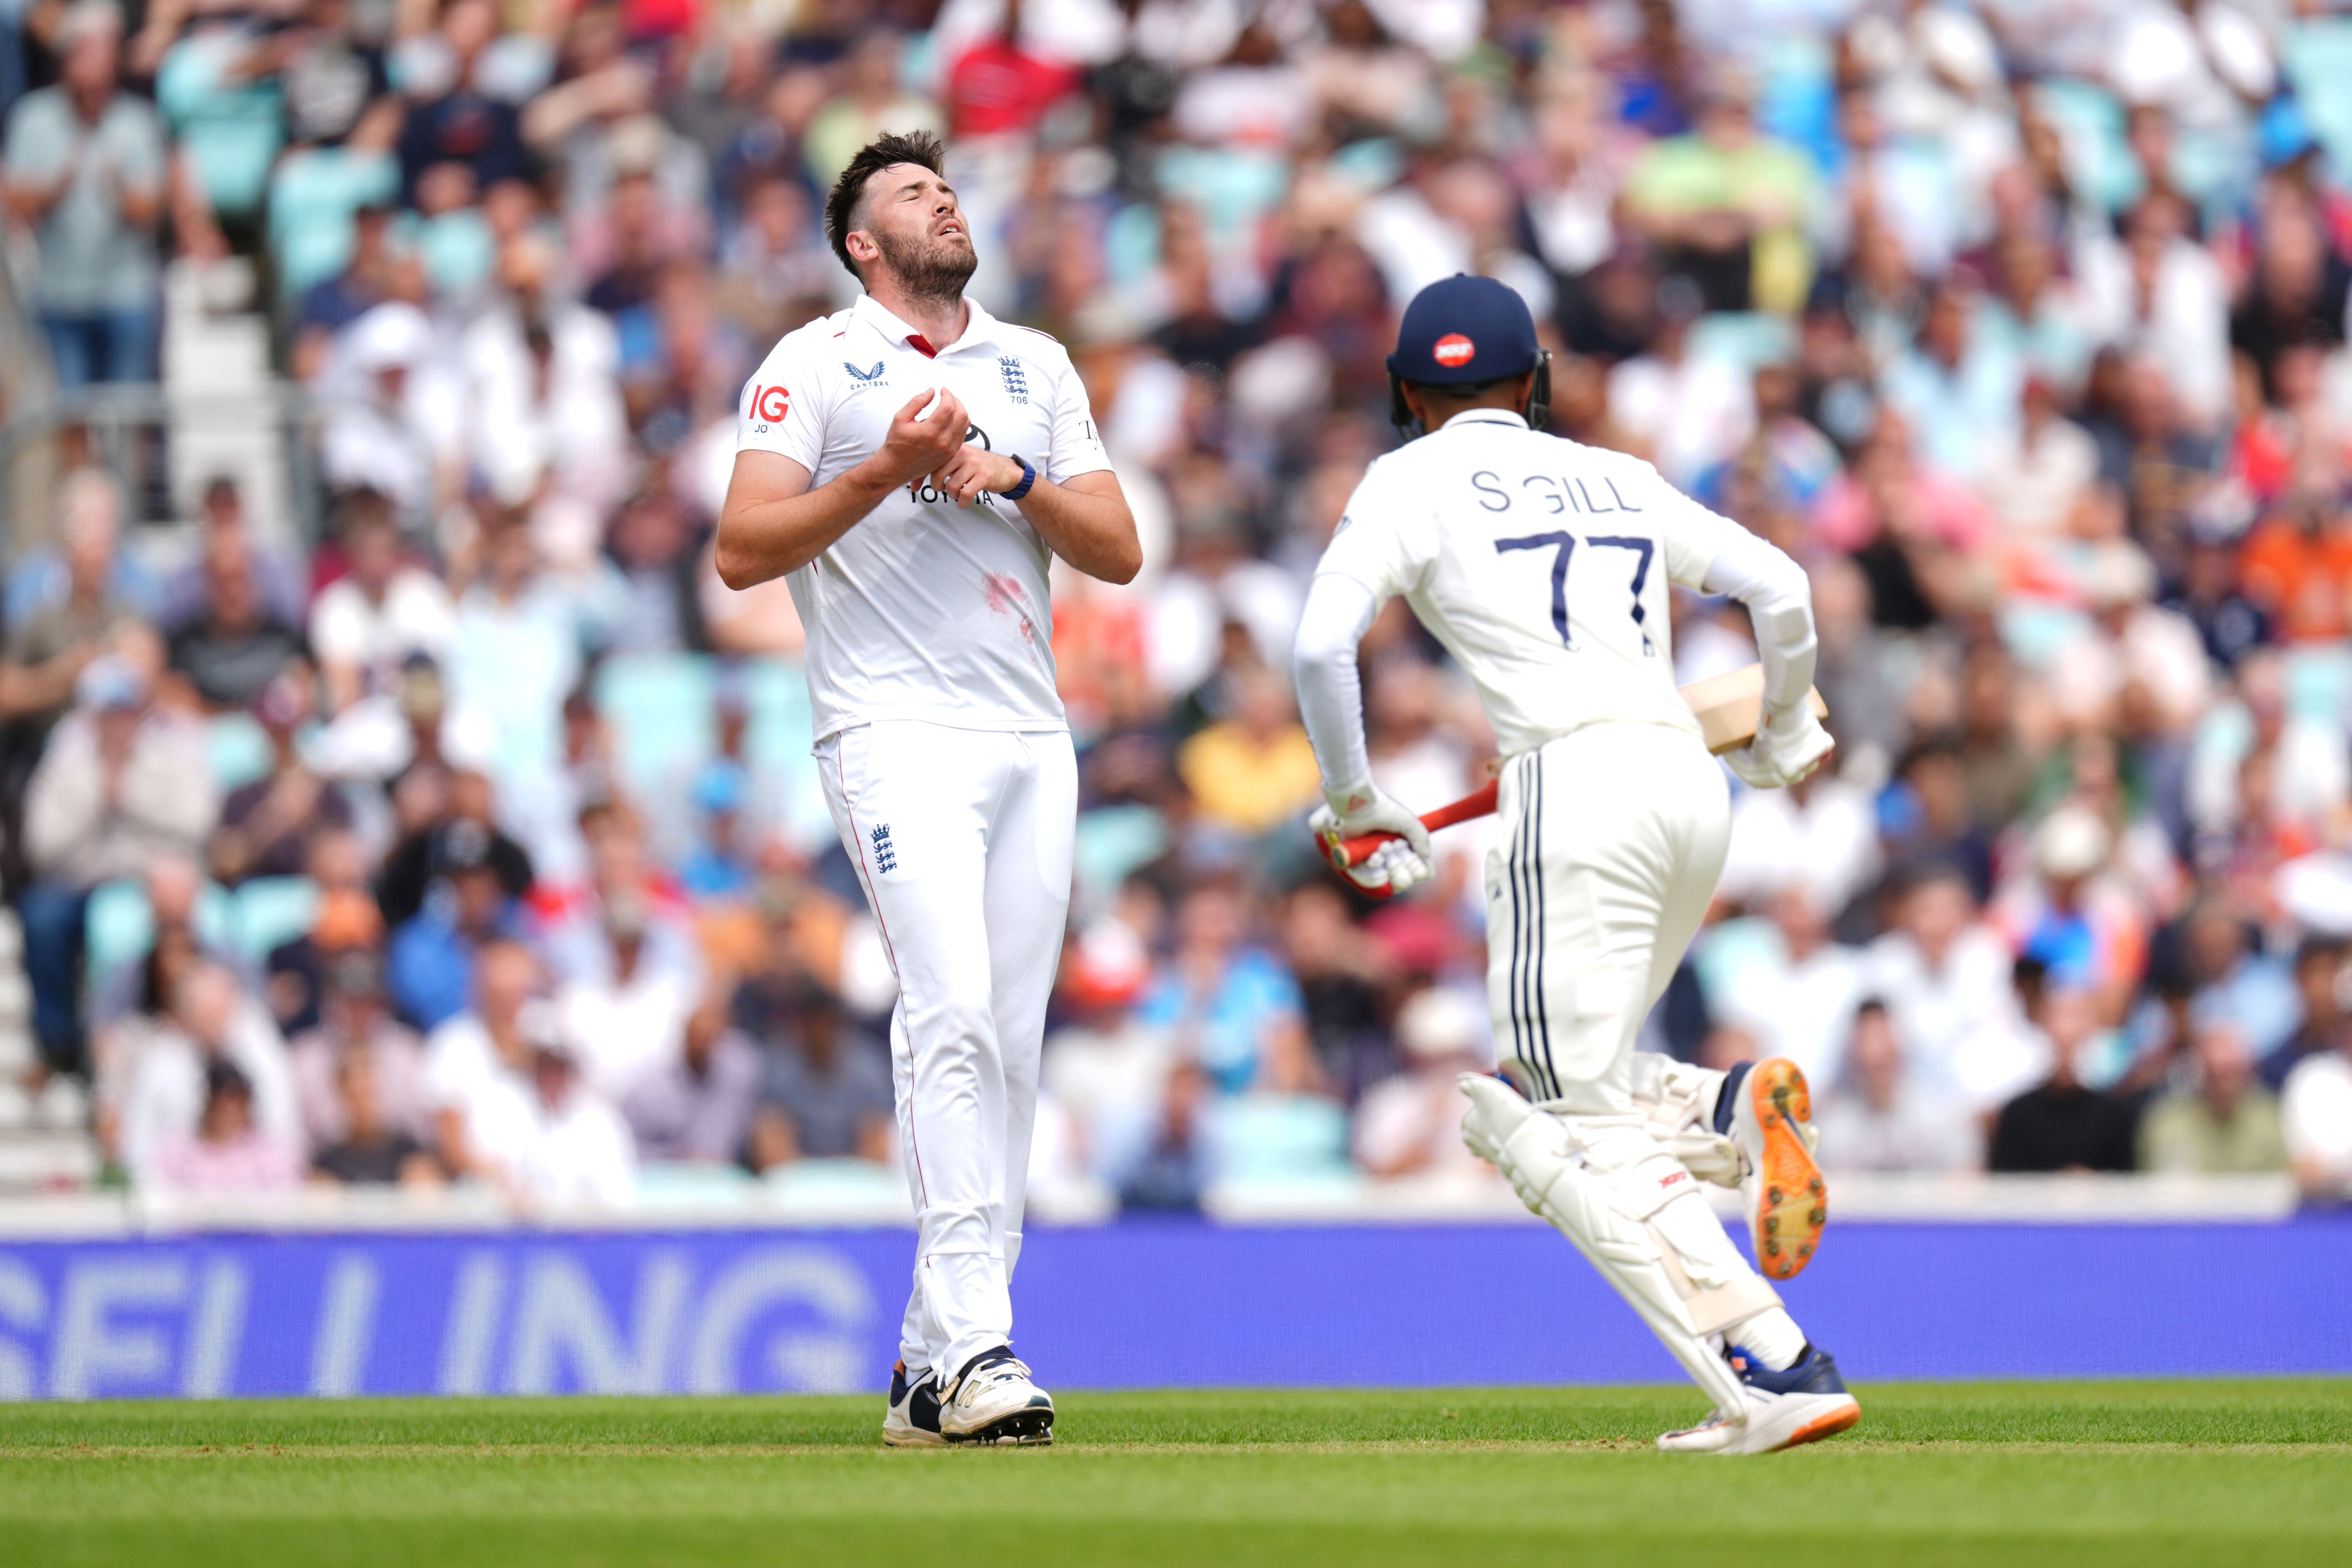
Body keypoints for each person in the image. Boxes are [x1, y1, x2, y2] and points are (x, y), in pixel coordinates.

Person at [1290, 275, 1856, 1455]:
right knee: (1581, 1080)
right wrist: (1789, 724)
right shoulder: (1616, 472)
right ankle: (1724, 1106)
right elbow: (1780, 587)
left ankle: (1772, 1365)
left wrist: (1353, 796)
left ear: (1405, 392)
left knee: (1547, 1119)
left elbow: (1318, 644)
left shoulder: (1407, 477)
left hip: (1569, 788)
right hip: (1686, 785)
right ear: (1535, 382)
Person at [715, 129, 1139, 1448]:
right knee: (947, 1010)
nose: (942, 200)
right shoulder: (813, 363)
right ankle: (976, 1346)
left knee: (1007, 1046)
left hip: (1028, 733)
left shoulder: (1034, 364)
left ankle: (922, 1366)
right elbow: (740, 548)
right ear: (861, 243)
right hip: (891, 729)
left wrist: (1006, 473)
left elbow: (1116, 548)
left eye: (945, 187)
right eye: (910, 191)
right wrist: (885, 471)